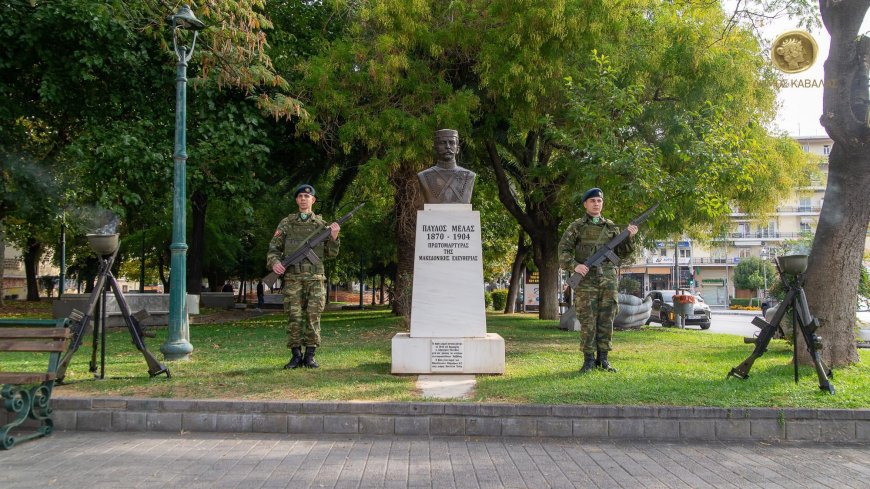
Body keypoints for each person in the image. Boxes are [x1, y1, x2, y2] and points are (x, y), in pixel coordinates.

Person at [558, 188, 638, 373]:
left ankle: (604, 359)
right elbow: (563, 251)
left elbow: (622, 254)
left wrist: (630, 237)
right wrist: (574, 266)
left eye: (599, 201)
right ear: (585, 204)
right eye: (592, 200)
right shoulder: (576, 226)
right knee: (587, 319)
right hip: (586, 280)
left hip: (608, 279)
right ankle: (588, 360)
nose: (596, 203)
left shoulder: (611, 227)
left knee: (607, 318)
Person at [267, 184, 340, 369]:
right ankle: (296, 355)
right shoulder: (286, 223)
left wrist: (334, 237)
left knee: (313, 316)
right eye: (300, 196)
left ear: (313, 200)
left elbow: (331, 254)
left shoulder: (322, 225)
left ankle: (310, 356)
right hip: (292, 279)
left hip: (315, 279)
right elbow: (273, 249)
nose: (303, 199)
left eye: (307, 197)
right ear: (296, 200)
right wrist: (275, 263)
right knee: (294, 316)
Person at [417, 129, 476, 204]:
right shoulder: (423, 176)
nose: (447, 146)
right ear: (435, 149)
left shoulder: (469, 176)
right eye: (442, 143)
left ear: (457, 149)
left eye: (451, 143)